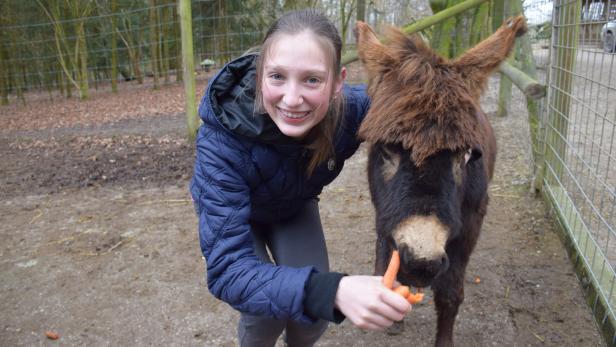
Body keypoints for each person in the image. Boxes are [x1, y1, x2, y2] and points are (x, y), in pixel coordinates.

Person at [190, 8, 411, 347]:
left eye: (312, 79)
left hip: (292, 206)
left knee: (313, 319)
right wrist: (332, 289)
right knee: (265, 315)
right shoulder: (220, 142)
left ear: (338, 82)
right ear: (259, 74)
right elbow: (228, 270)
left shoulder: (352, 113)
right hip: (238, 219)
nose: (292, 100)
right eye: (277, 76)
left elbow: (416, 110)